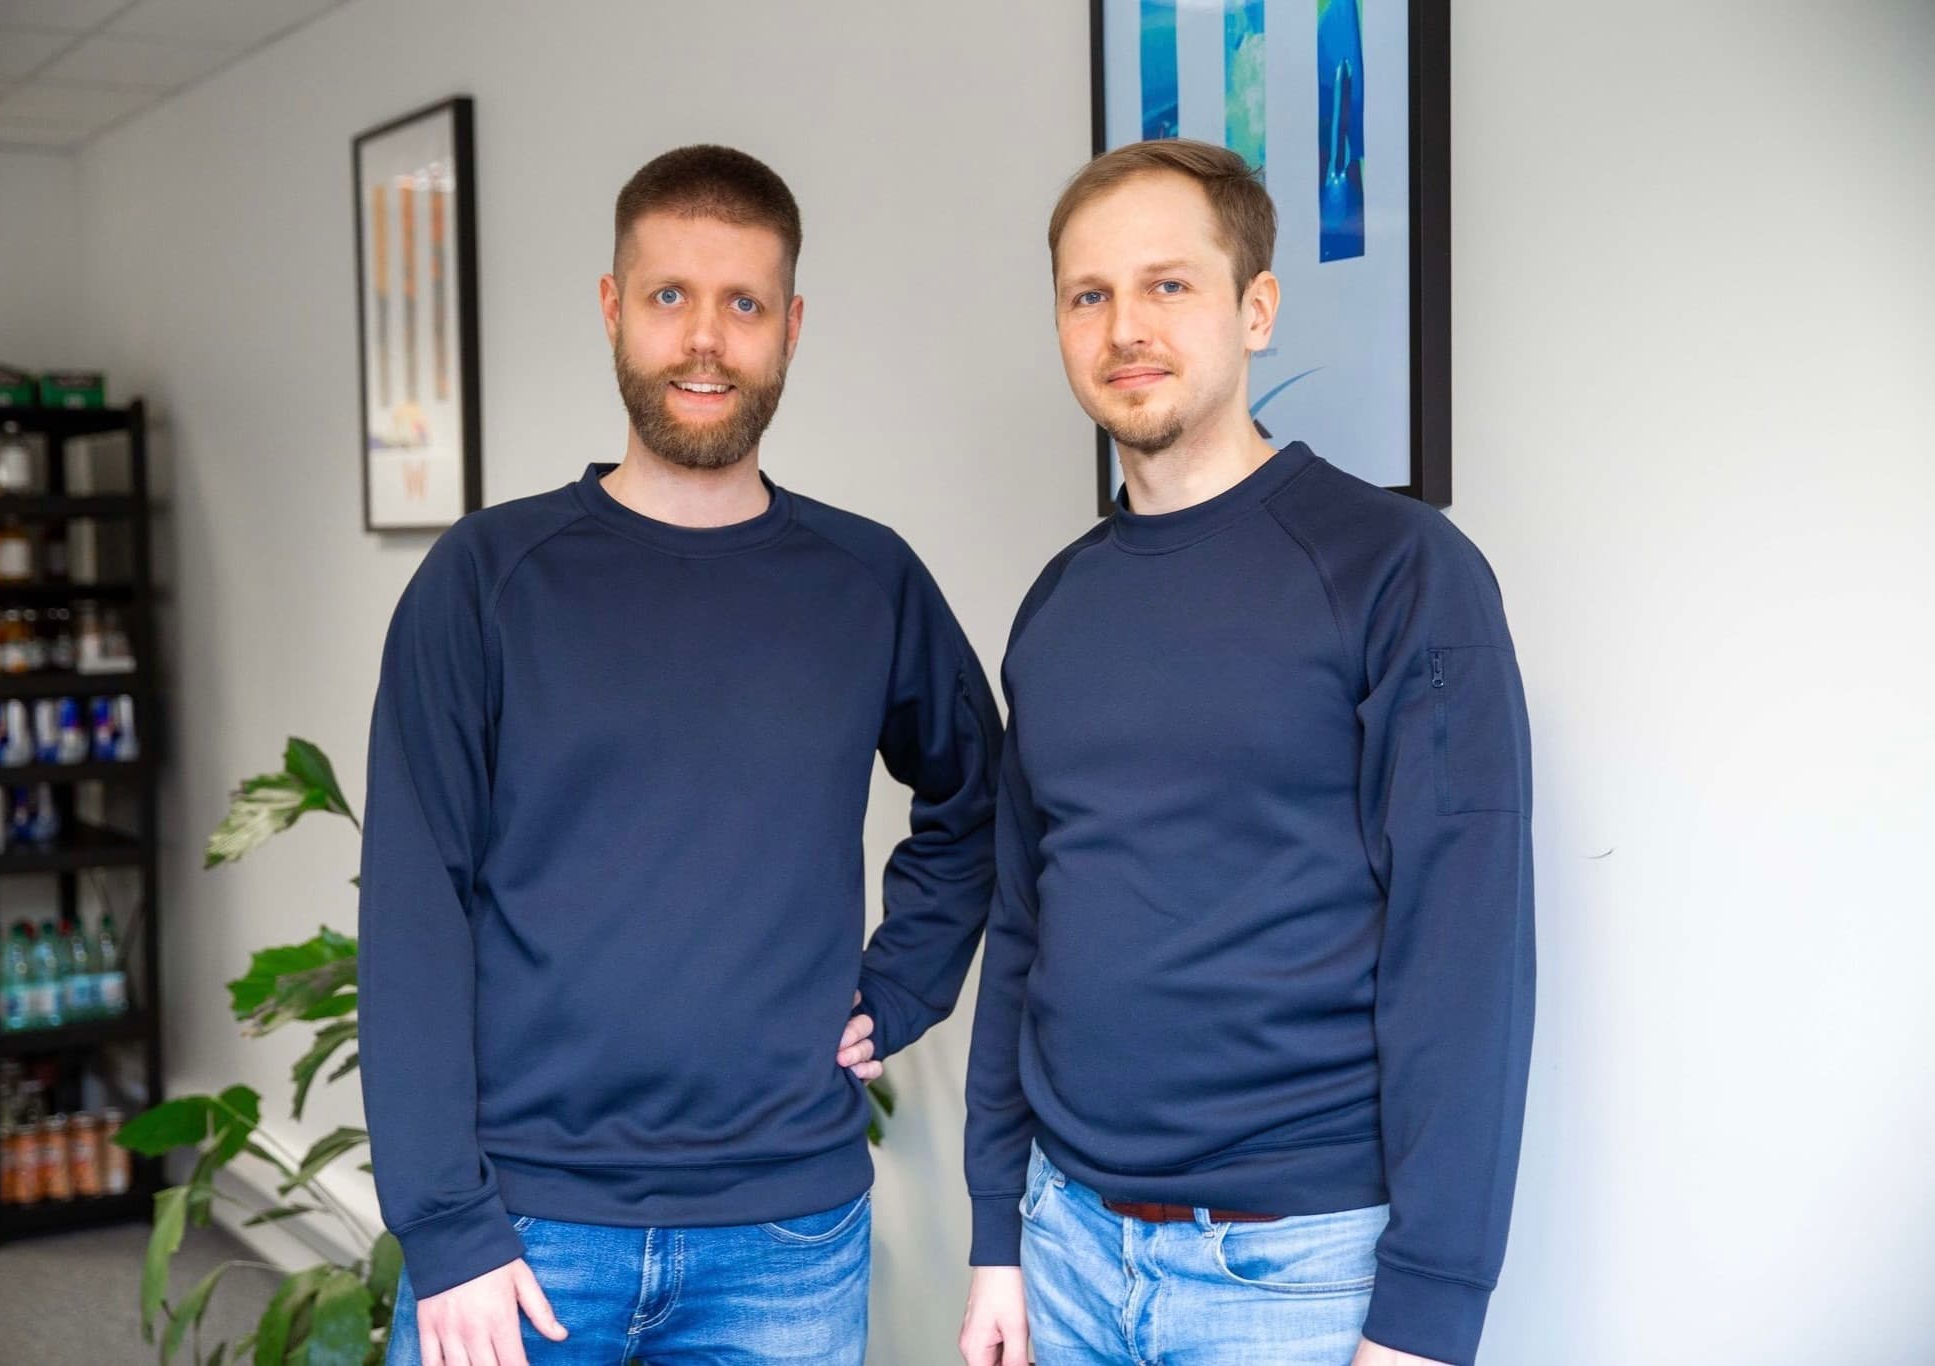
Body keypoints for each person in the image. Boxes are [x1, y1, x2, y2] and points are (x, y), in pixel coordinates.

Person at [360, 143, 1001, 1366]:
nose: (704, 340)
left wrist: (902, 983)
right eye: (669, 296)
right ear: (613, 308)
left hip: (786, 1237)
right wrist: (444, 1224)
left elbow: (979, 798)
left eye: (743, 304)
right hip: (522, 1228)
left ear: (790, 328)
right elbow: (412, 905)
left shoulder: (866, 581)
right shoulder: (487, 579)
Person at [959, 138, 1535, 1366]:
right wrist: (994, 1232)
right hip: (1066, 1252)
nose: (1125, 326)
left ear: (1255, 309)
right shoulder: (1057, 605)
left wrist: (1427, 1316)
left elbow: (1465, 950)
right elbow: (1021, 929)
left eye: (1168, 284)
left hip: (1293, 1276)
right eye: (1088, 294)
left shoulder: (1399, 570)